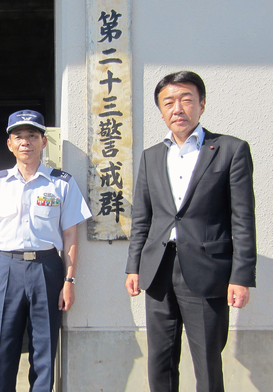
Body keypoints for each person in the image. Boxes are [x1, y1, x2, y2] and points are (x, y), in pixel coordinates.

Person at [125, 71, 257, 392]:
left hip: (206, 270)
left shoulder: (229, 150)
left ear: (202, 104)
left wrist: (241, 276)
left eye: (186, 99)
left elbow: (242, 218)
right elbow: (143, 217)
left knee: (207, 363)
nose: (178, 108)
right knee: (159, 360)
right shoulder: (152, 156)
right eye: (168, 102)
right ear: (160, 111)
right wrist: (133, 267)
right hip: (158, 270)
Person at [0, 109, 92, 392]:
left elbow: (71, 234)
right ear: (9, 144)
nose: (26, 142)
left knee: (44, 348)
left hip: (47, 268)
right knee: (3, 346)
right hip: (7, 269)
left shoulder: (62, 183)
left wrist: (69, 281)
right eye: (19, 137)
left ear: (44, 141)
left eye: (32, 136)